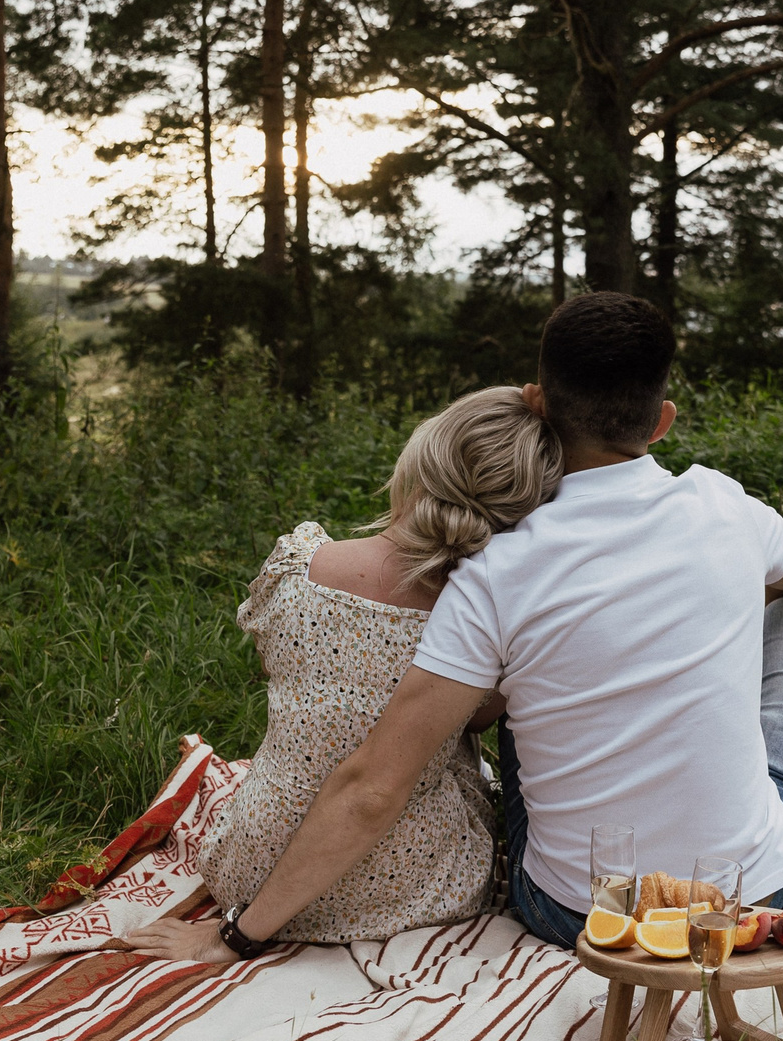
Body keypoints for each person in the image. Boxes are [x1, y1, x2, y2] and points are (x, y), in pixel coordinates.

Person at [130, 291, 783, 964]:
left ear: (538, 402)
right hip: (748, 898)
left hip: (584, 911)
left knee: (520, 683)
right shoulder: (725, 506)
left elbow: (375, 785)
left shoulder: (497, 568)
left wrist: (238, 936)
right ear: (662, 421)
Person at [133, 387, 559, 949]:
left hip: (255, 867)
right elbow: (476, 722)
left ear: (419, 462)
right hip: (413, 890)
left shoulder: (299, 566)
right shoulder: (492, 617)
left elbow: (281, 673)